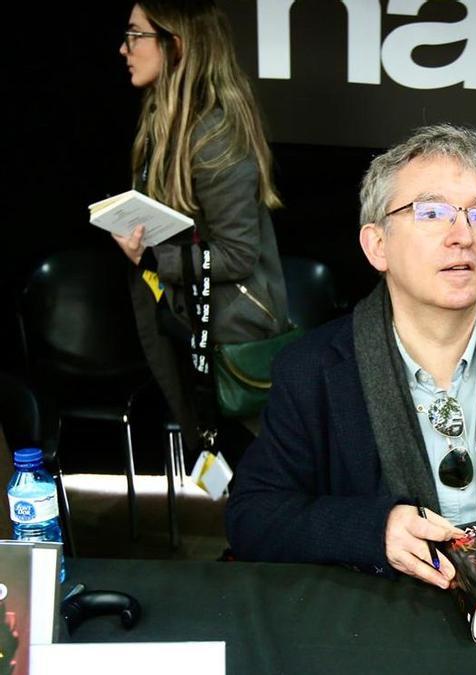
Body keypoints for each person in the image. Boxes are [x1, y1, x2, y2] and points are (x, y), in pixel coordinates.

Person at [225, 125, 476, 589]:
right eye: (433, 212)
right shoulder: (313, 369)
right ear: (376, 246)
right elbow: (254, 514)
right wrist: (372, 531)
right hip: (378, 622)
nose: (463, 235)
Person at [112, 0, 289, 455]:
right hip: (189, 324)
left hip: (232, 337)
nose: (123, 48)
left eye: (135, 35)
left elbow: (237, 254)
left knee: (253, 480)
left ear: (175, 45)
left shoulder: (215, 136)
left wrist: (152, 256)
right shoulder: (163, 122)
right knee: (225, 473)